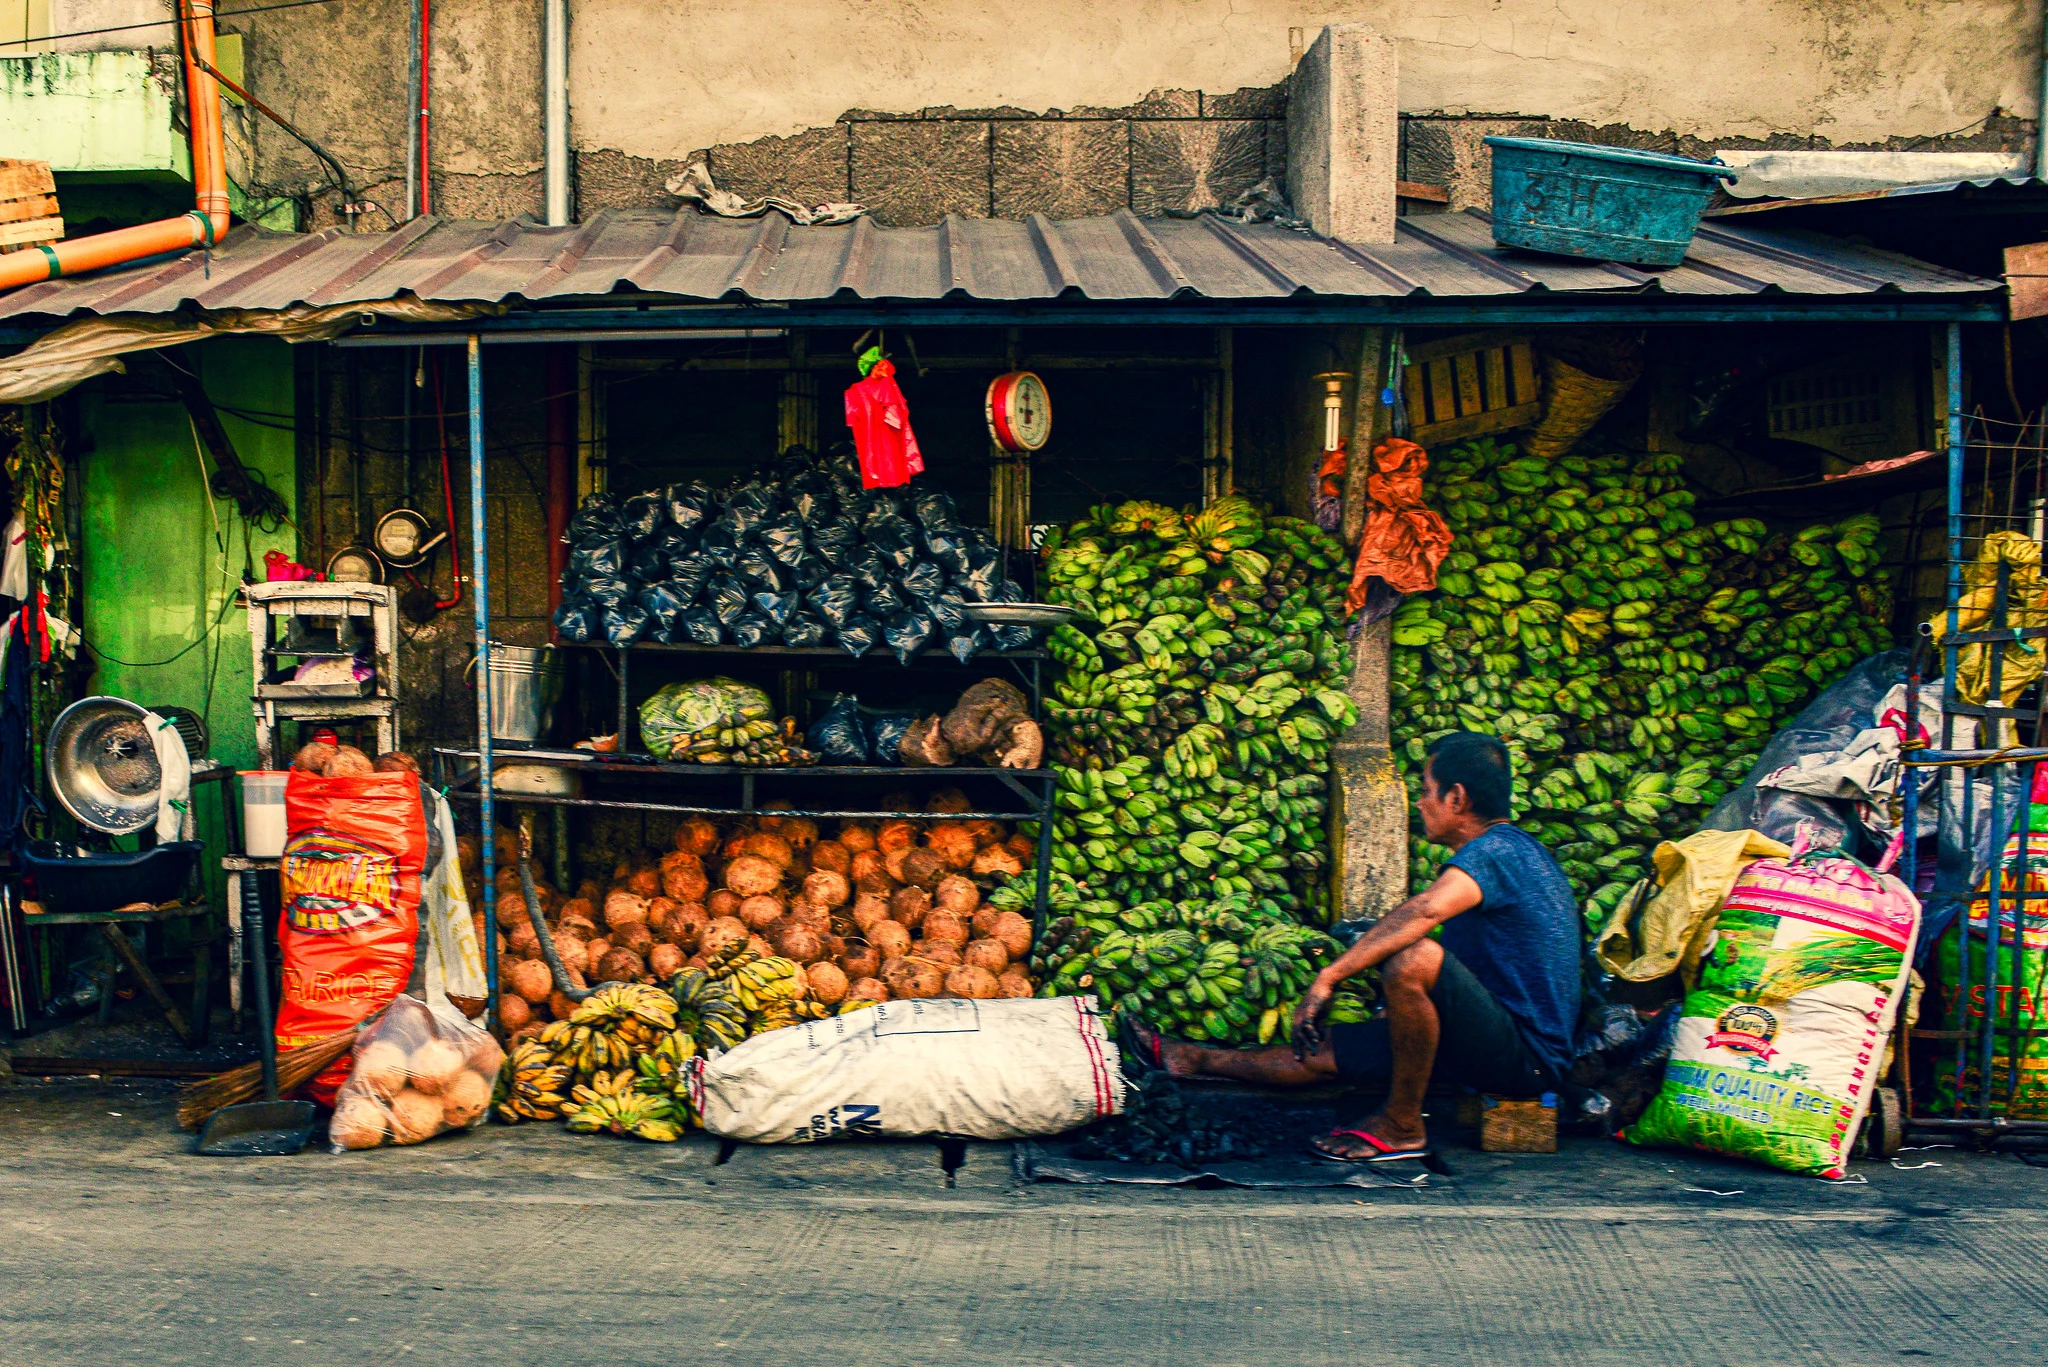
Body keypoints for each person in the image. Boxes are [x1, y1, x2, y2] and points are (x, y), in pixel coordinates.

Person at [1121, 730, 1582, 1162]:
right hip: (1483, 1043)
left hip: (1528, 1064)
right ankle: (1191, 1058)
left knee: (1411, 957)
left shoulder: (1498, 852)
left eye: (1425, 789)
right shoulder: (1514, 854)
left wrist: (1330, 976)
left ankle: (1402, 1126)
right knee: (1319, 1053)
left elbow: (1424, 912)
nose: (1418, 803)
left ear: (1456, 798)